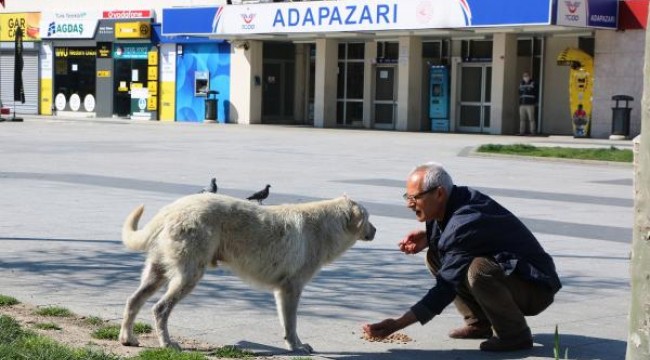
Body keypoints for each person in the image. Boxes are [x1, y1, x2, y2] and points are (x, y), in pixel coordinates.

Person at [363, 162, 562, 352]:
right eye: (407, 196)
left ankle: (515, 335)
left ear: (439, 193)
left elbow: (445, 287)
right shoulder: (452, 202)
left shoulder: (465, 219)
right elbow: (459, 241)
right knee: (436, 256)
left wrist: (397, 323)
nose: (409, 204)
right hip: (513, 274)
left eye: (415, 198)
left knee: (480, 270)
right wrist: (428, 238)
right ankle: (479, 323)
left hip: (535, 288)